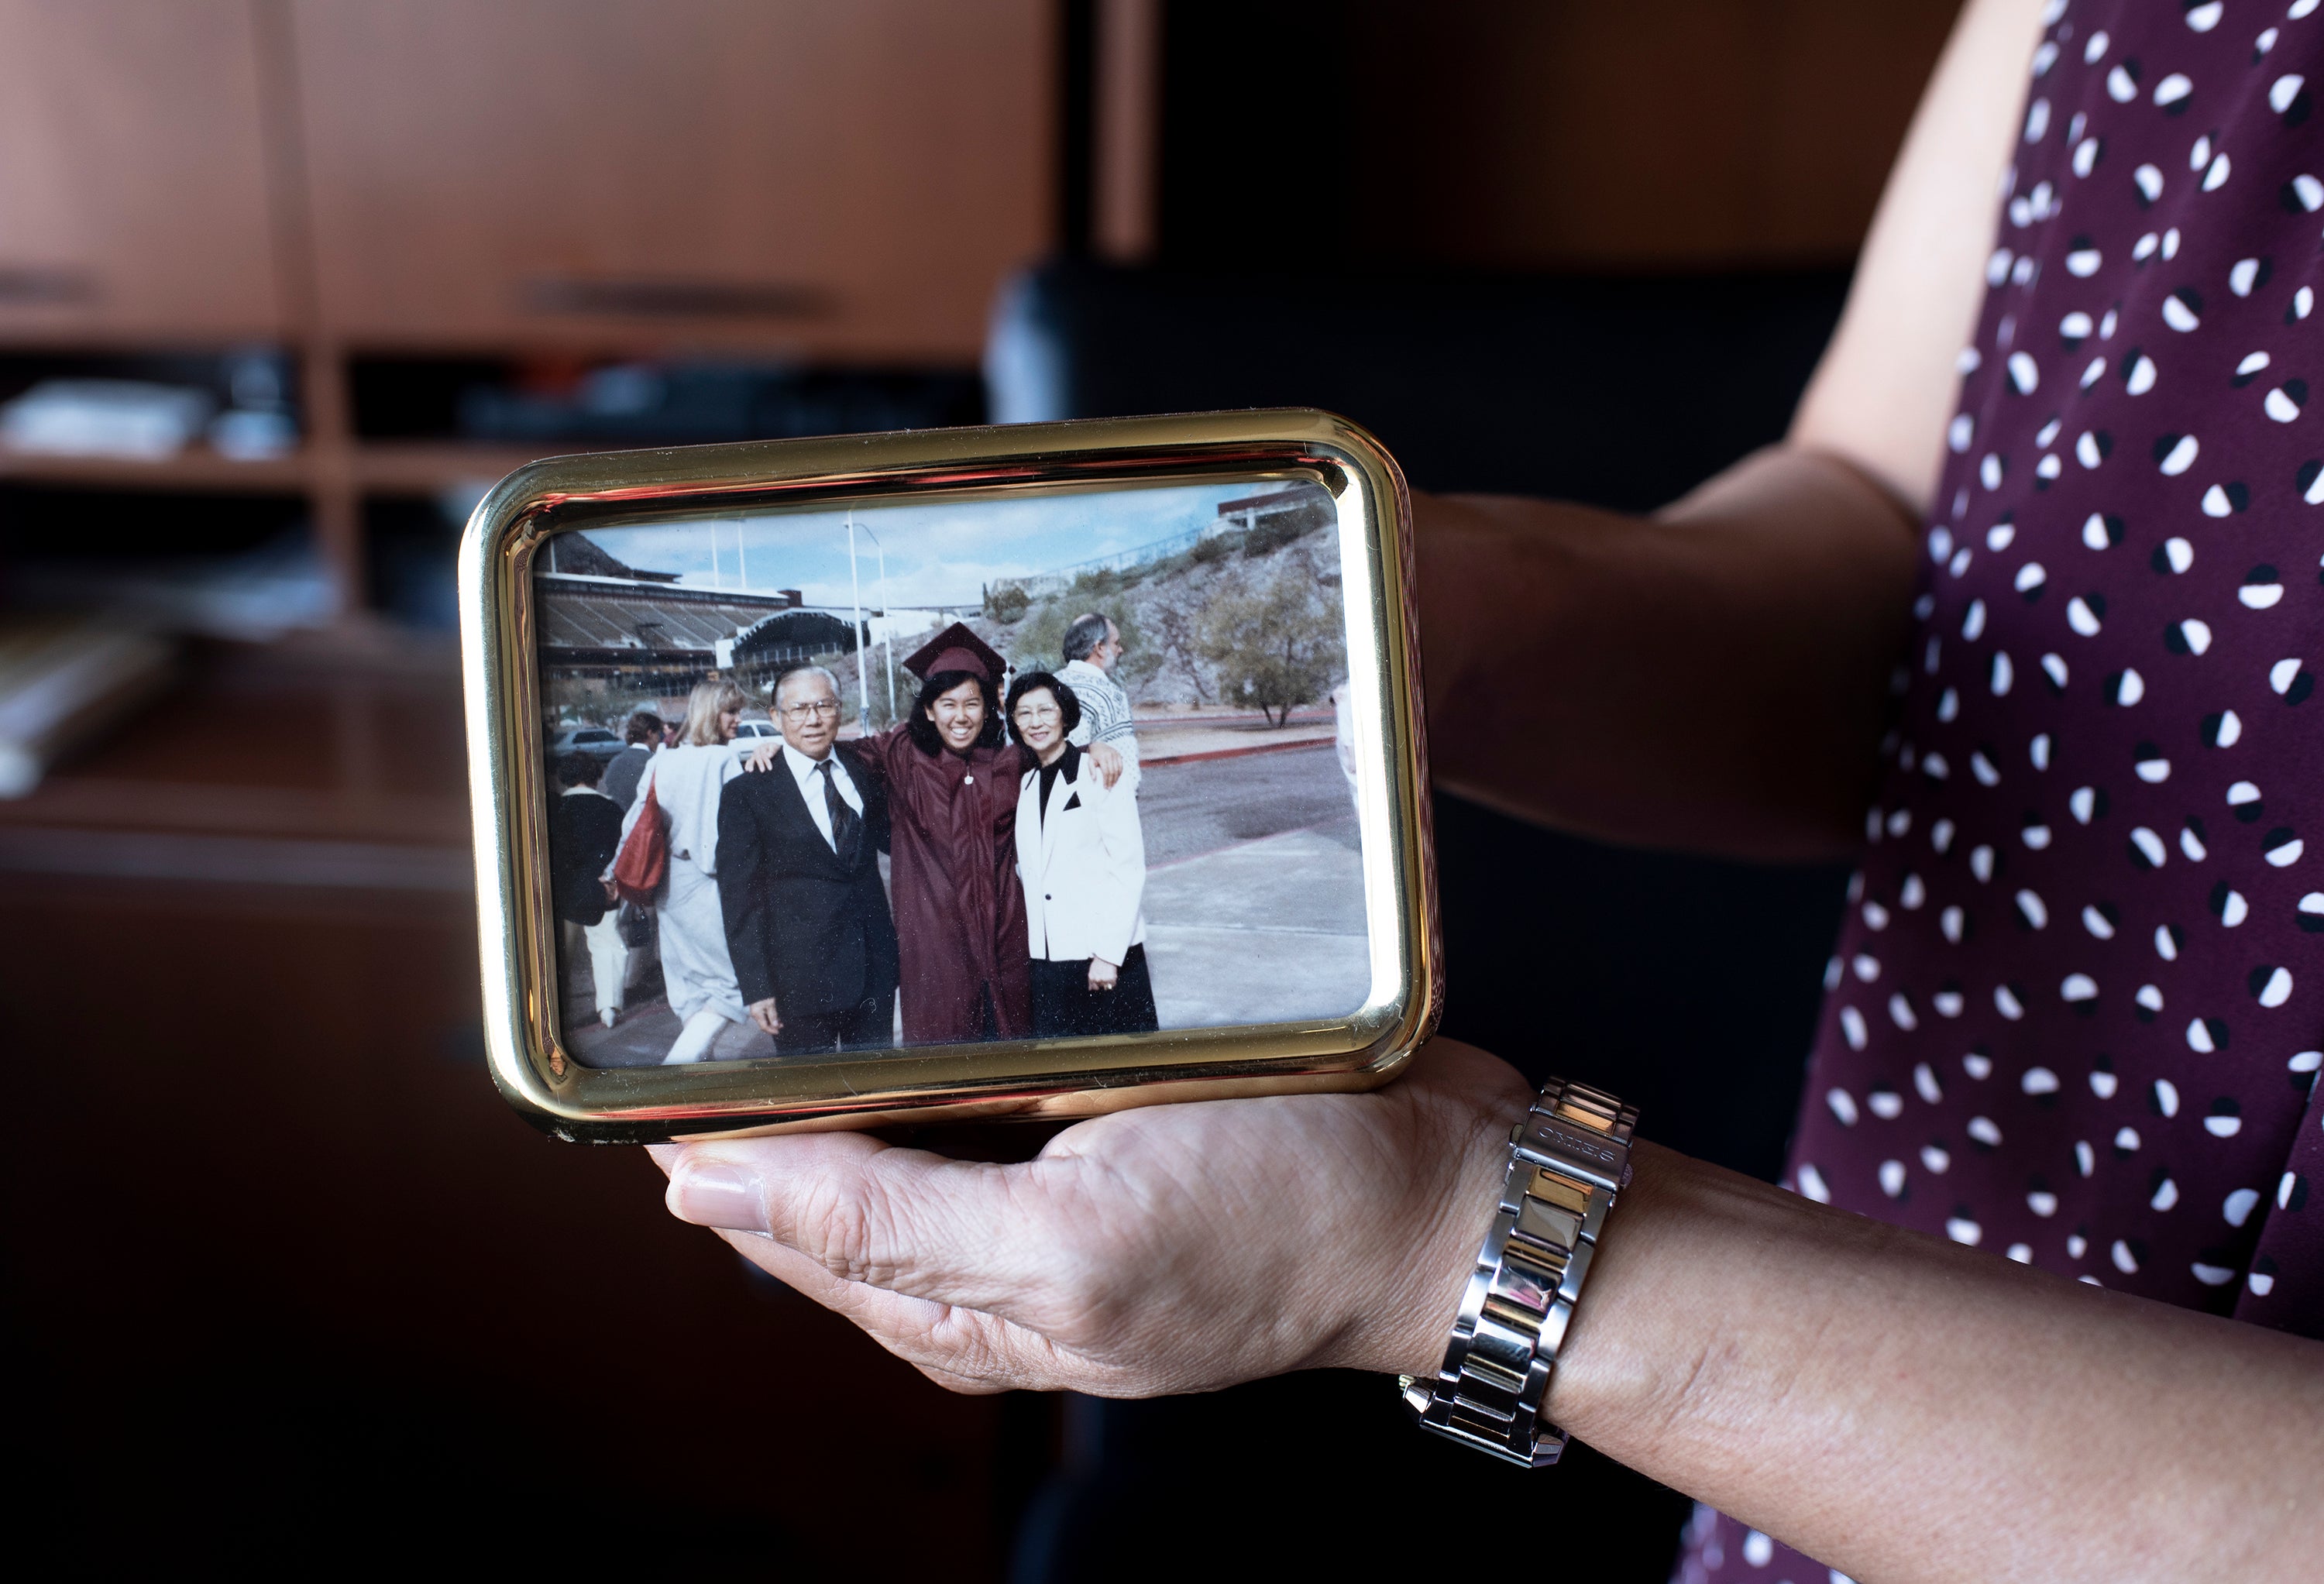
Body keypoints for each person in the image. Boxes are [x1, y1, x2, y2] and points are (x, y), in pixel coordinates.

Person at [651, 4, 2324, 1579]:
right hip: (1924, 1262)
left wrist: (1465, 1237)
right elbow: (1910, 551)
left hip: (1878, 1397)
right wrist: (1442, 601)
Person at [748, 624, 1121, 1045]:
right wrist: (780, 747)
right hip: (934, 945)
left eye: (972, 704)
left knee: (1014, 1047)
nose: (960, 717)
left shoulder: (1010, 758)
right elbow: (831, 751)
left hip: (1006, 935)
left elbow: (1057, 754)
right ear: (928, 710)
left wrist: (1095, 749)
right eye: (947, 704)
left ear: (988, 708)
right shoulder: (902, 753)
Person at [716, 666, 899, 1056]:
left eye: (824, 706)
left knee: (876, 1095)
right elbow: (739, 899)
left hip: (872, 973)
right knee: (814, 1103)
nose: (813, 719)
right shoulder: (748, 792)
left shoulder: (862, 769)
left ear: (839, 709)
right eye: (798, 709)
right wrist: (756, 987)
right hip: (798, 982)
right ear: (775, 717)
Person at [1006, 672, 1158, 1038]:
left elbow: (1128, 867)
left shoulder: (1098, 772)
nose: (1036, 721)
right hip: (1049, 962)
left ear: (1065, 714)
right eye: (1024, 713)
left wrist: (1108, 954)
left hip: (1102, 960)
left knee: (1121, 1083)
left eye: (1045, 709)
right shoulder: (1025, 785)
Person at [610, 675, 749, 1065]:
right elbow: (739, 830)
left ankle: (696, 1080)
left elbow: (634, 823)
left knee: (689, 988)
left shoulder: (662, 759)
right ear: (712, 713)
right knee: (730, 987)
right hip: (709, 884)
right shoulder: (722, 759)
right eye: (731, 711)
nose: (738, 719)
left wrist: (614, 870)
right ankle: (676, 1070)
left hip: (667, 886)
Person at [548, 751, 627, 1030]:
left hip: (563, 888)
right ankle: (609, 1007)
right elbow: (622, 850)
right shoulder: (612, 808)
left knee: (559, 950)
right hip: (602, 886)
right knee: (606, 944)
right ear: (597, 775)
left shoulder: (555, 809)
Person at [1057, 612, 1139, 776]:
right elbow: (1128, 772)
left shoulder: (1049, 685)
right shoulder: (1110, 696)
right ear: (1099, 648)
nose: (1120, 650)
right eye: (1116, 643)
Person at [601, 711, 662, 813]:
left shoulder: (615, 761)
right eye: (658, 734)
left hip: (617, 820)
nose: (659, 738)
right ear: (650, 733)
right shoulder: (654, 762)